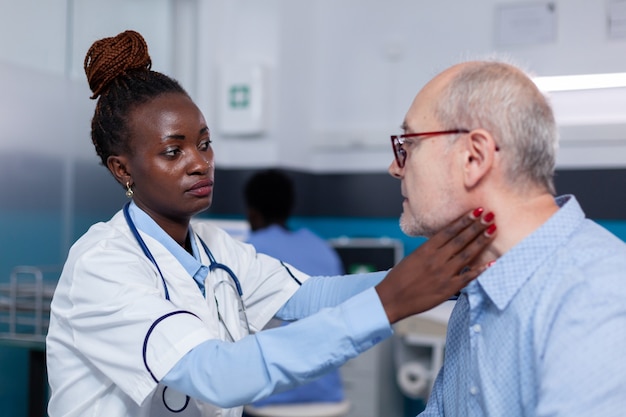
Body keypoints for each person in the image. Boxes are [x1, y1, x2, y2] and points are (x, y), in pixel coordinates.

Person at [45, 30, 496, 417]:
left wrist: (441, 276)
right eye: (173, 151)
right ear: (122, 170)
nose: (200, 164)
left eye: (204, 144)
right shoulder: (102, 265)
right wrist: (390, 301)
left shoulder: (214, 247)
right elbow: (216, 375)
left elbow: (307, 296)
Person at [386, 59, 626, 416]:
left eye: (409, 144)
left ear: (474, 157)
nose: (395, 167)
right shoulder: (479, 288)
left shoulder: (597, 297)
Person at [242, 168, 345, 410]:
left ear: (252, 214)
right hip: (327, 394)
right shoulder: (323, 249)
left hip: (270, 398)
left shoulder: (250, 252)